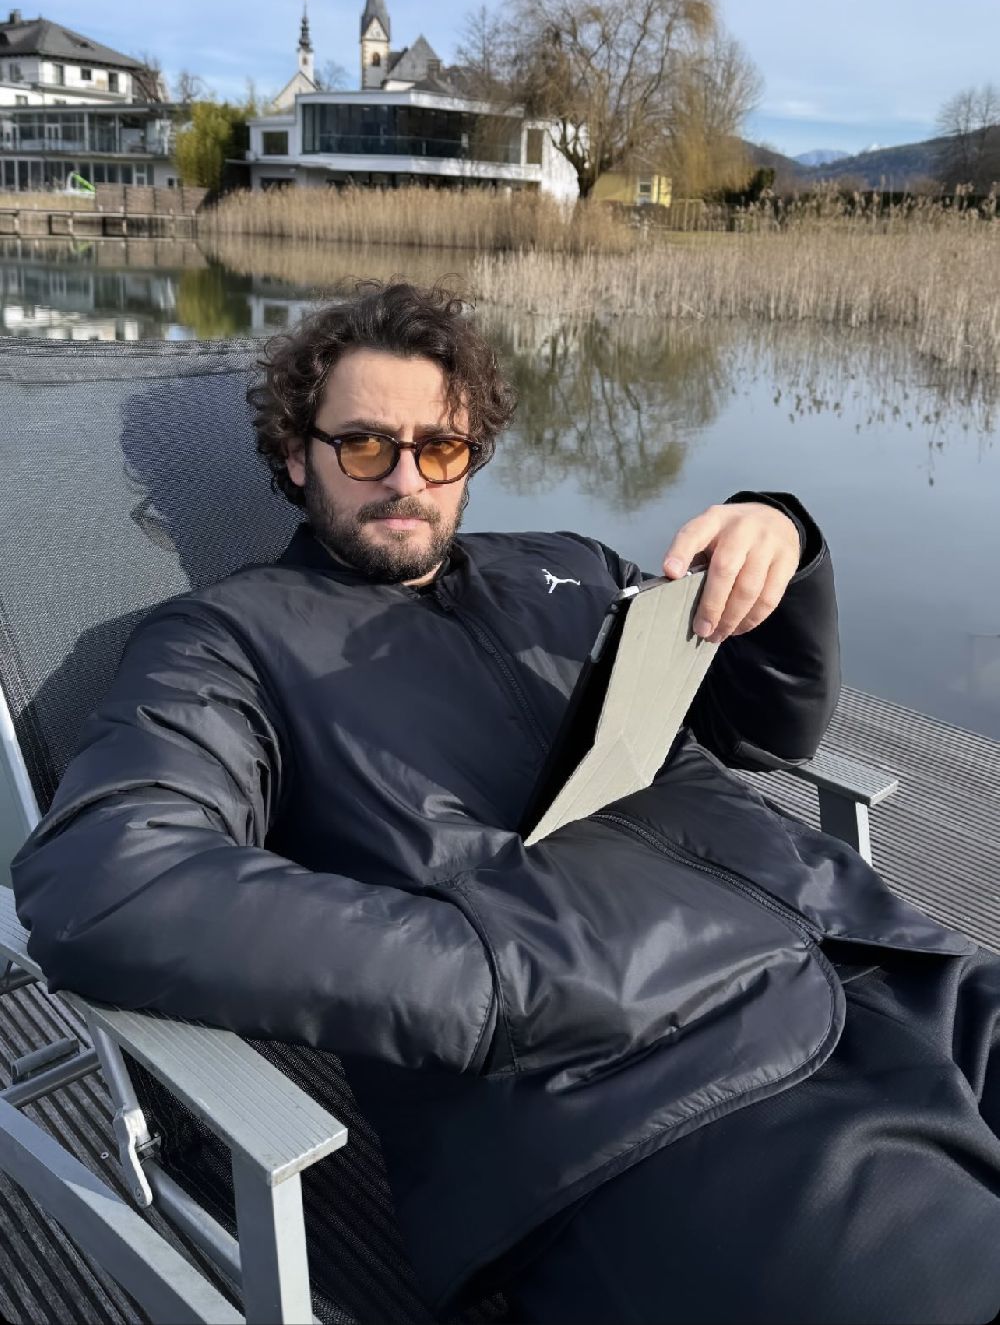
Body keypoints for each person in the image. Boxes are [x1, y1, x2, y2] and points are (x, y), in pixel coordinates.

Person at [12, 282, 1000, 1325]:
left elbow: (764, 733)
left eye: (438, 448)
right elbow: (108, 880)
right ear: (296, 455)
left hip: (903, 967)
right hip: (662, 1095)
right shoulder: (226, 644)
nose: (406, 480)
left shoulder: (568, 568)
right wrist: (499, 977)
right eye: (364, 446)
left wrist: (781, 548)